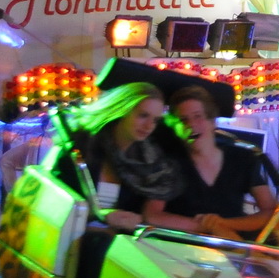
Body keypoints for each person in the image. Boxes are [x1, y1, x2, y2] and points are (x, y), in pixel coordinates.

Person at [45, 82, 189, 232]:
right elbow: (51, 203)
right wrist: (97, 216)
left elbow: (139, 219)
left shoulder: (147, 161)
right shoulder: (79, 147)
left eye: (155, 120)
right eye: (143, 115)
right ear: (122, 110)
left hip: (113, 246)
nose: (149, 126)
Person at [146, 86, 279, 237]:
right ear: (174, 128)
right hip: (184, 247)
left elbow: (273, 215)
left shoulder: (242, 158)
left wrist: (224, 224)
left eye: (197, 116)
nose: (191, 124)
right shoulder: (168, 164)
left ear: (212, 122)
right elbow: (152, 215)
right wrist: (206, 227)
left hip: (234, 245)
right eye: (183, 120)